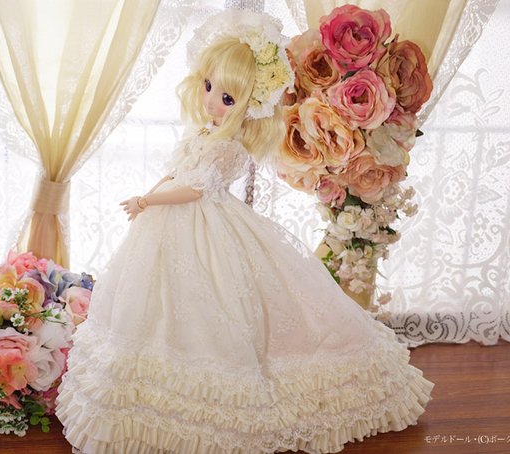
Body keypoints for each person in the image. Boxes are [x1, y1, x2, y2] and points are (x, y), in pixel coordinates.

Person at [56, 9, 433, 454]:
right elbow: (176, 172)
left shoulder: (230, 149)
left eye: (226, 97)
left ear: (249, 105)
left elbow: (196, 190)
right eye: (209, 86)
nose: (212, 101)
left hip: (207, 225)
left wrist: (149, 202)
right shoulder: (202, 132)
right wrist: (149, 195)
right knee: (154, 306)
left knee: (218, 299)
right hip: (165, 225)